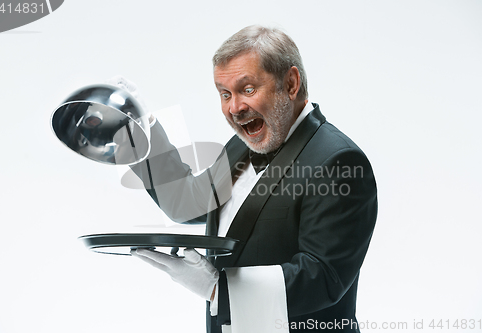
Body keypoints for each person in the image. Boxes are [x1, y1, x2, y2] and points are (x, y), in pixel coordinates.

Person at [127, 25, 377, 333]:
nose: (235, 108)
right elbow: (187, 202)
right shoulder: (242, 145)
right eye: (225, 94)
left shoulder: (339, 161)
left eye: (247, 89)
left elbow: (323, 275)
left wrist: (219, 290)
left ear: (291, 83)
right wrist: (140, 128)